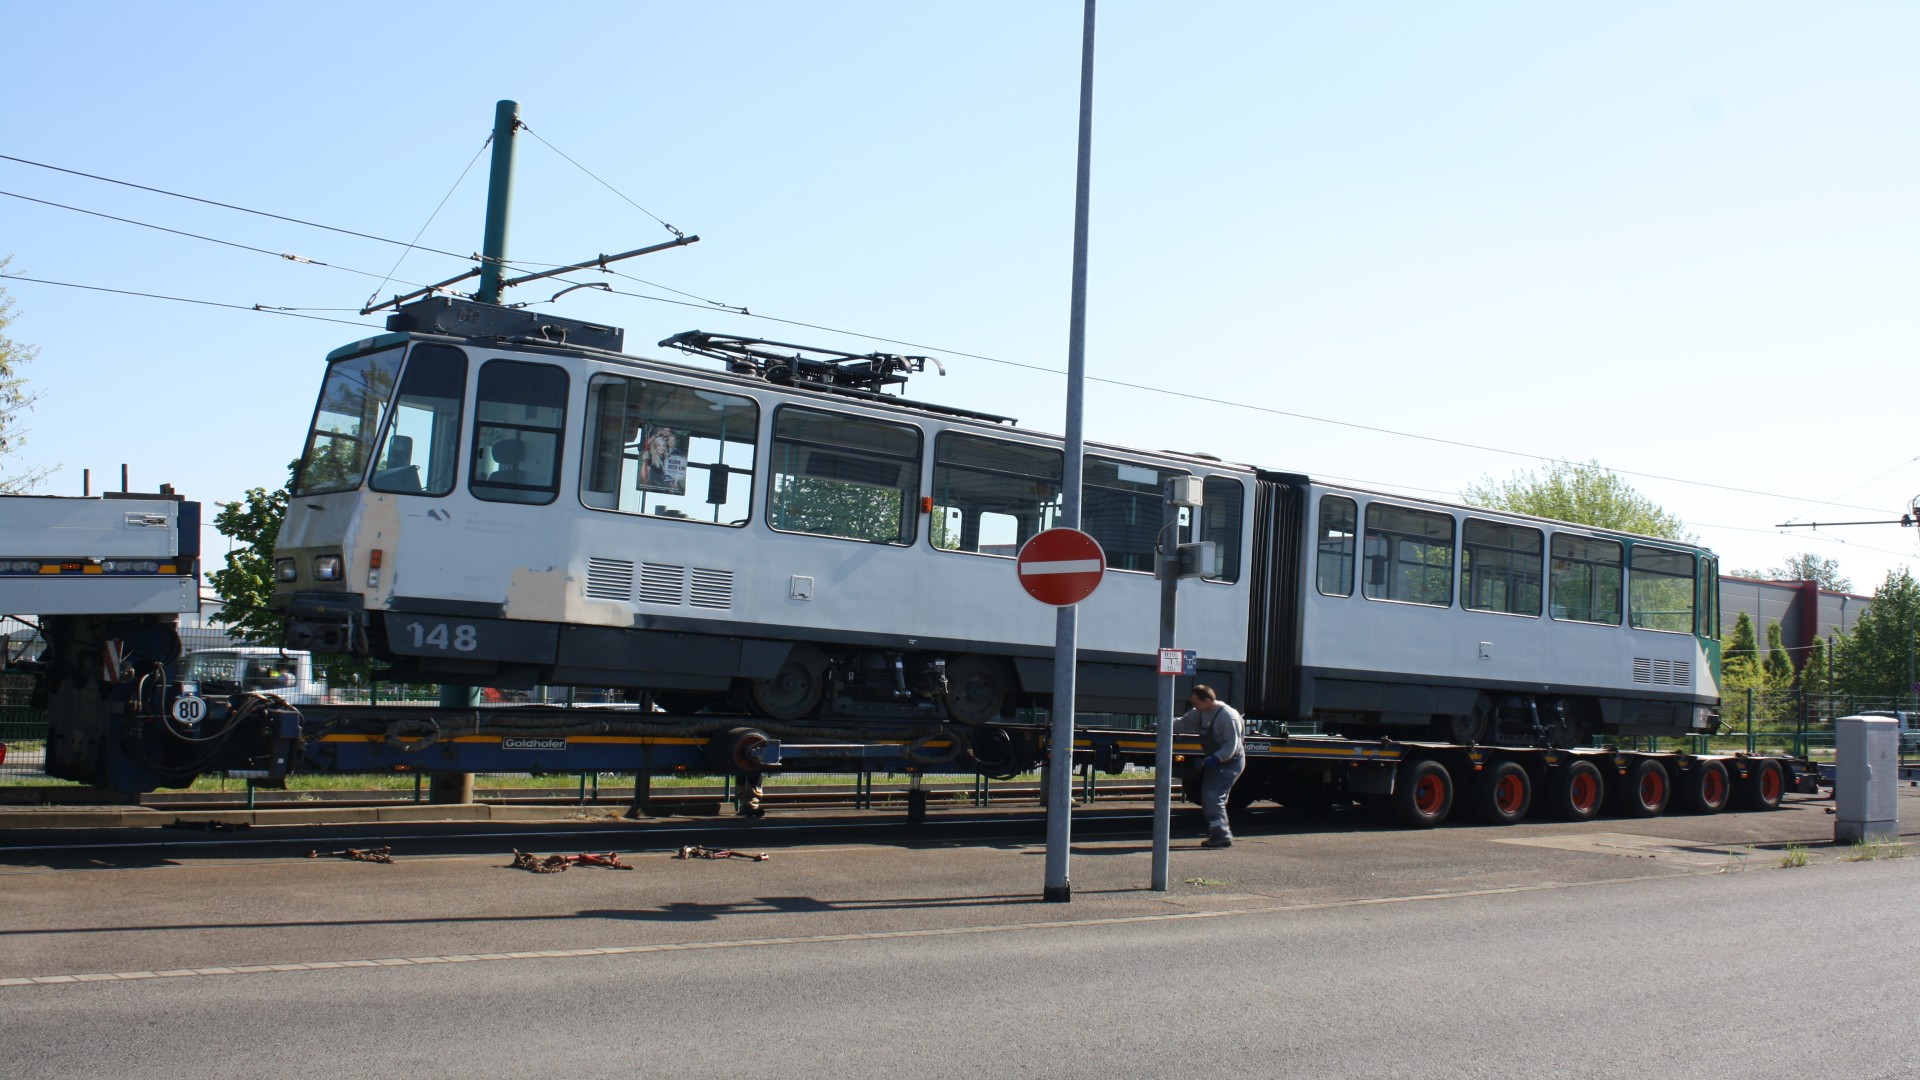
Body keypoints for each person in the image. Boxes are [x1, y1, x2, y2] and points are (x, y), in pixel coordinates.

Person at [1175, 684, 1245, 848]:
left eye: (1196, 703)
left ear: (1207, 700)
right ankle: (1218, 834)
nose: (1194, 707)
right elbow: (1183, 723)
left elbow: (1232, 745)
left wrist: (1215, 759)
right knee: (1209, 797)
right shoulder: (1201, 712)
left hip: (1230, 762)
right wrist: (1162, 726)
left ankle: (1222, 836)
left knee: (1213, 796)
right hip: (1216, 761)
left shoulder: (1228, 716)